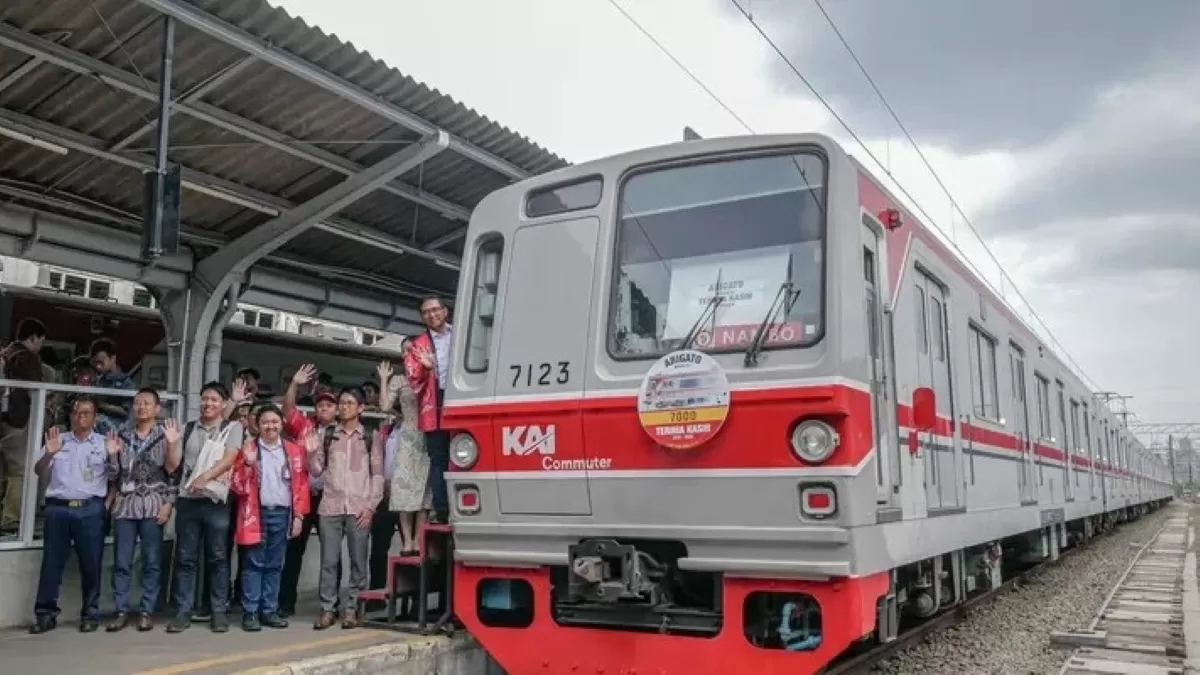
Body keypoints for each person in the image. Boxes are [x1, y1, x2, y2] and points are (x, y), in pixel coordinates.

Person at [29, 396, 114, 634]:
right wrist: (49, 454)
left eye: (86, 412)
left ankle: (90, 614)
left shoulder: (103, 443)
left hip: (90, 509)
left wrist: (106, 504)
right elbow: (38, 470)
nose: (81, 416)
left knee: (91, 564)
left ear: (95, 417)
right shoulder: (59, 440)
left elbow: (116, 476)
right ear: (71, 415)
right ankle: (45, 615)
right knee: (52, 564)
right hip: (58, 508)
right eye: (77, 412)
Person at [167, 382, 244, 634]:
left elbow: (230, 458)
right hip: (188, 500)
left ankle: (218, 611)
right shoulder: (188, 428)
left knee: (218, 558)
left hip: (215, 503)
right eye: (204, 399)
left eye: (213, 400)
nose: (208, 404)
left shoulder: (232, 428)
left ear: (223, 405)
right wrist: (171, 443)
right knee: (185, 558)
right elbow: (172, 466)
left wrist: (206, 477)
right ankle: (182, 611)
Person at [107, 388, 182, 632]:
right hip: (126, 506)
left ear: (157, 409)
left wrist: (169, 504)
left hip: (153, 505)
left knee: (152, 561)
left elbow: (173, 472)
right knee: (121, 561)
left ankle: (146, 610)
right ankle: (120, 610)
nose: (141, 407)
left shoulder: (164, 435)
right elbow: (113, 476)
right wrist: (111, 457)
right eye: (138, 403)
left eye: (147, 403)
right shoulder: (121, 434)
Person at [230, 405, 310, 631]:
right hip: (256, 513)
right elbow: (237, 485)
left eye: (275, 422)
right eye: (265, 422)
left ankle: (269, 610)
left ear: (282, 423)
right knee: (253, 563)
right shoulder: (248, 449)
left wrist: (299, 517)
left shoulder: (293, 451)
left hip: (283, 512)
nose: (270, 426)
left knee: (275, 564)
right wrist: (247, 464)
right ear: (257, 424)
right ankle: (250, 612)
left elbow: (302, 485)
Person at [309, 387, 382, 630]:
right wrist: (310, 454)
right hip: (330, 506)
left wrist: (370, 507)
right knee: (329, 561)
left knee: (358, 561)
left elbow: (378, 475)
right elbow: (317, 470)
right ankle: (328, 609)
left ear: (361, 408)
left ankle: (353, 608)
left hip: (359, 507)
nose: (344, 407)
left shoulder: (370, 436)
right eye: (342, 403)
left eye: (350, 403)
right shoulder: (328, 434)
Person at [278, 365, 341, 618]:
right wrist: (294, 384)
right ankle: (285, 603)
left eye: (329, 405)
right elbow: (288, 410)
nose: (324, 409)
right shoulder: (305, 427)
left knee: (331, 554)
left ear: (337, 409)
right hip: (305, 497)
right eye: (320, 405)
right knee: (293, 551)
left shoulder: (343, 432)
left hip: (331, 499)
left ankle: (331, 605)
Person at [405, 296, 453, 523]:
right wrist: (426, 369)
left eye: (435, 310)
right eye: (426, 312)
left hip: (462, 395)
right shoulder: (418, 344)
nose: (432, 315)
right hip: (435, 402)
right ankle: (443, 510)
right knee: (439, 458)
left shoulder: (462, 334)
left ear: (445, 311)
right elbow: (413, 380)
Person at [381, 349, 431, 555]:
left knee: (424, 493)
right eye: (406, 352)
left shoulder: (430, 374)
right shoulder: (399, 380)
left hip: (428, 433)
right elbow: (384, 406)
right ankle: (407, 541)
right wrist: (384, 379)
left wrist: (430, 367)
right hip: (408, 435)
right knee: (403, 489)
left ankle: (418, 540)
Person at [0, 317, 47, 533]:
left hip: (4, 419)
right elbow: (34, 391)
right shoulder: (28, 358)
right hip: (19, 420)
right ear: (33, 337)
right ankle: (11, 519)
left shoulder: (6, 352)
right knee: (19, 471)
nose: (40, 347)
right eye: (40, 341)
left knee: (4, 470)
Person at [89, 338, 136, 436]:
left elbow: (126, 412)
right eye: (95, 363)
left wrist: (101, 404)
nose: (98, 366)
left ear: (113, 359)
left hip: (119, 432)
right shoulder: (98, 381)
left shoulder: (126, 383)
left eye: (101, 362)